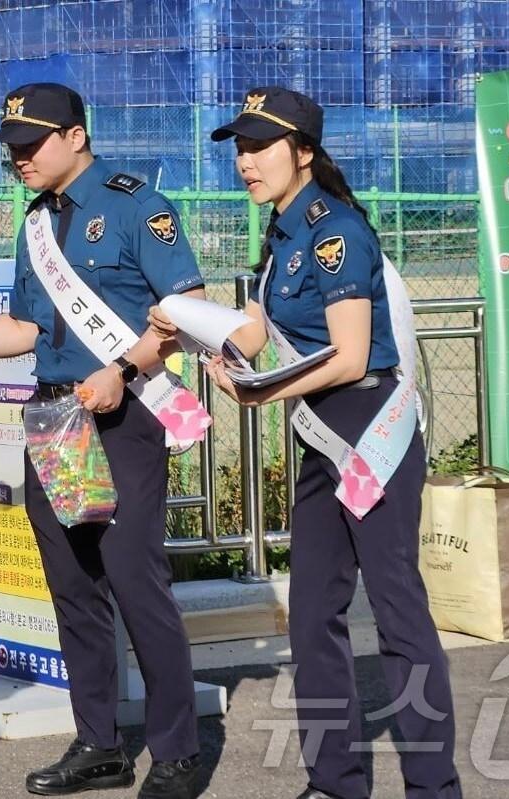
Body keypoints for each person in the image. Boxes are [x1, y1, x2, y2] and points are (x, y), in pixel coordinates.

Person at [0, 82, 207, 799]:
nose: (19, 159)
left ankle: (178, 751)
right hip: (55, 419)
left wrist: (123, 369)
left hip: (124, 420)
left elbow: (185, 313)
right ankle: (98, 743)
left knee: (135, 582)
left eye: (30, 145)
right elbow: (24, 331)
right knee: (74, 587)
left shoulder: (135, 205)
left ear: (76, 136)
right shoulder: (36, 224)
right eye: (11, 150)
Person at [152, 86, 461, 799]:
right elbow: (259, 331)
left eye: (260, 146)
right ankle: (335, 782)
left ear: (305, 151)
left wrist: (259, 391)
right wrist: (187, 325)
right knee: (313, 615)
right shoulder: (280, 232)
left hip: (368, 430)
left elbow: (353, 356)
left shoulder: (335, 231)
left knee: (397, 615)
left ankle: (435, 788)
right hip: (322, 437)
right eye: (239, 146)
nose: (245, 161)